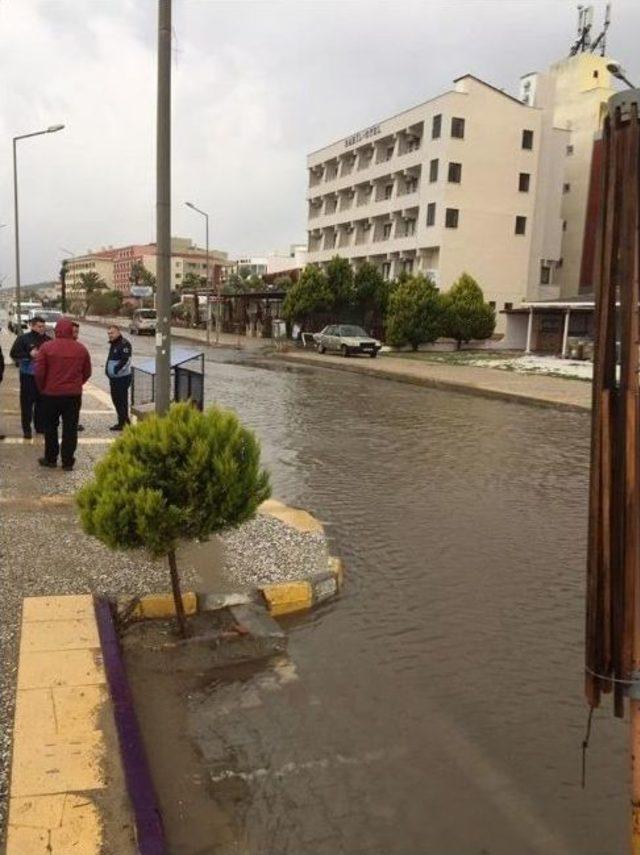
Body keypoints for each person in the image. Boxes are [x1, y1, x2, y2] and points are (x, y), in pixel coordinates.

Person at [34, 318, 92, 471]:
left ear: (56, 330)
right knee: (70, 429)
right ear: (70, 330)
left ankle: (51, 458)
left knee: (50, 428)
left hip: (50, 395)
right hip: (73, 396)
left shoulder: (46, 347)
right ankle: (67, 461)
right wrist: (77, 384)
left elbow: (39, 372)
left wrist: (42, 388)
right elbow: (87, 372)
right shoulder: (81, 349)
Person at [9, 315, 50, 438]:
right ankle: (26, 429)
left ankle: (39, 427)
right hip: (27, 376)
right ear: (32, 326)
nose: (42, 329)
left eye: (43, 326)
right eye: (39, 326)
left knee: (41, 404)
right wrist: (29, 354)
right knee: (27, 404)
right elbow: (14, 354)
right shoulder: (23, 339)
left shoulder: (48, 340)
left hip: (43, 378)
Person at [106, 325, 132, 431]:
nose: (110, 335)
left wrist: (115, 371)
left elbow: (126, 361)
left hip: (122, 378)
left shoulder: (124, 344)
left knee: (121, 401)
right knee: (116, 400)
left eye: (112, 333)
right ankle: (124, 421)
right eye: (109, 333)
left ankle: (123, 423)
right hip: (114, 379)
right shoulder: (114, 344)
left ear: (118, 332)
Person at [71, 321, 85, 432]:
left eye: (77, 332)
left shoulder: (80, 348)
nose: (77, 334)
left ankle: (74, 424)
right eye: (75, 332)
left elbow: (86, 369)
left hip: (74, 386)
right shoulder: (78, 348)